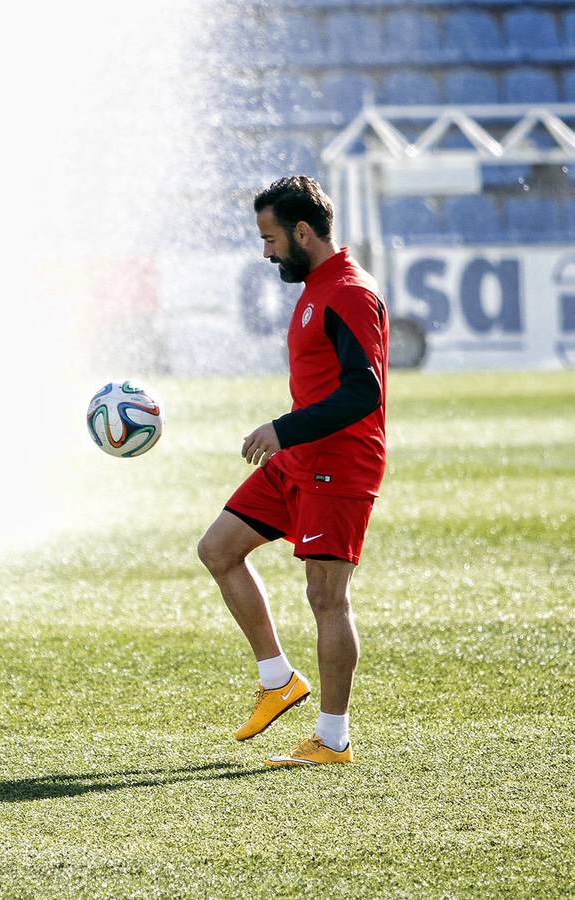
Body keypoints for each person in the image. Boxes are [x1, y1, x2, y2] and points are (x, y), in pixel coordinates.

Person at [196, 176, 389, 767]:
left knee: (326, 598)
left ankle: (332, 738)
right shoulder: (317, 288)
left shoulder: (349, 293)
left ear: (303, 232)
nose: (267, 251)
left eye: (272, 238)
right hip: (298, 462)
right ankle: (278, 678)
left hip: (339, 464)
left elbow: (365, 391)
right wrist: (289, 442)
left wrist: (283, 429)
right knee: (218, 549)